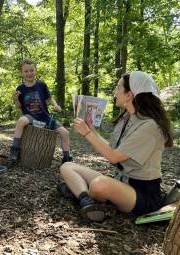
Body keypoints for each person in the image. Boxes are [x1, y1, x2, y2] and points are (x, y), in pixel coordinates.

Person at [59, 71, 173, 222]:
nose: (115, 91)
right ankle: (86, 199)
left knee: (99, 185)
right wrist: (91, 130)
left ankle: (81, 193)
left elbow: (114, 157)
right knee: (67, 166)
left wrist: (87, 133)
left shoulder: (149, 126)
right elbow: (113, 149)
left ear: (129, 95)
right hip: (122, 181)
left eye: (118, 87)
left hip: (142, 193)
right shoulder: (128, 117)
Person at [9, 59, 72, 164]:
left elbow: (49, 98)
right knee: (21, 121)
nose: (29, 73)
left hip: (45, 117)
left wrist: (56, 105)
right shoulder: (21, 88)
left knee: (65, 133)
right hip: (30, 117)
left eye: (31, 70)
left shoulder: (41, 85)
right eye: (26, 71)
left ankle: (66, 158)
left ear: (35, 71)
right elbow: (19, 106)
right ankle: (14, 150)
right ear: (22, 73)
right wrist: (15, 99)